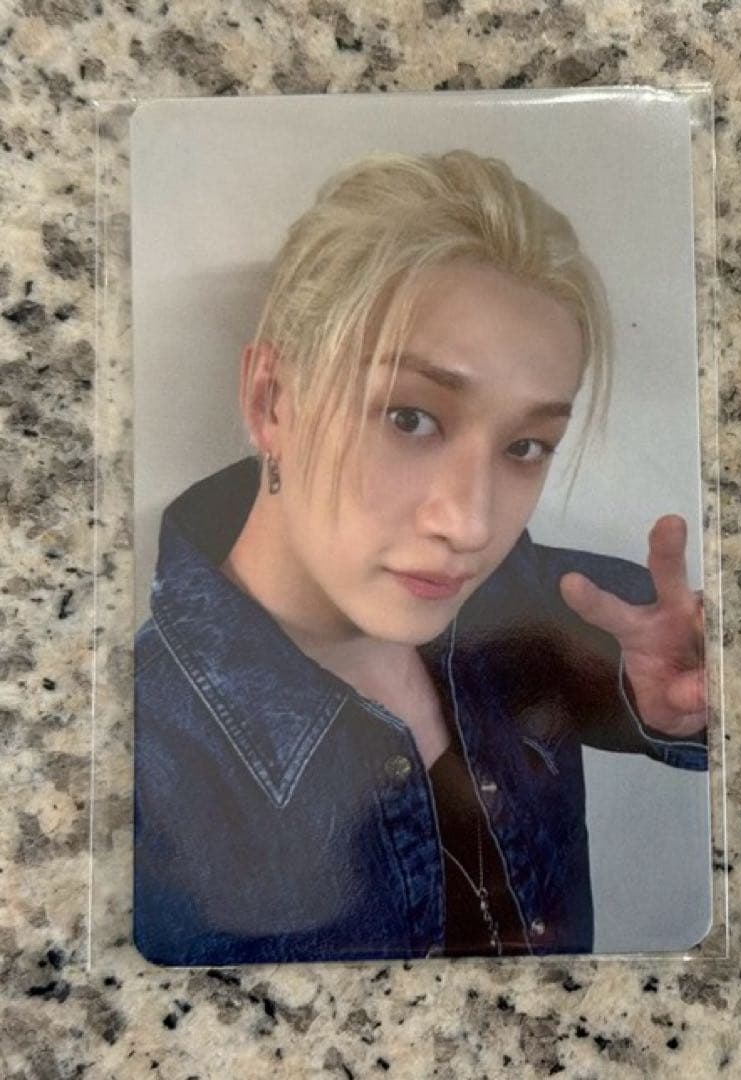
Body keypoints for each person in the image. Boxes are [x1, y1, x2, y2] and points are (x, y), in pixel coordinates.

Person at [133, 150, 707, 965]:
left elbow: (674, 666)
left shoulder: (531, 599)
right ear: (272, 400)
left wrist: (685, 701)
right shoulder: (134, 760)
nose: (469, 526)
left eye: (525, 445)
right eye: (409, 418)